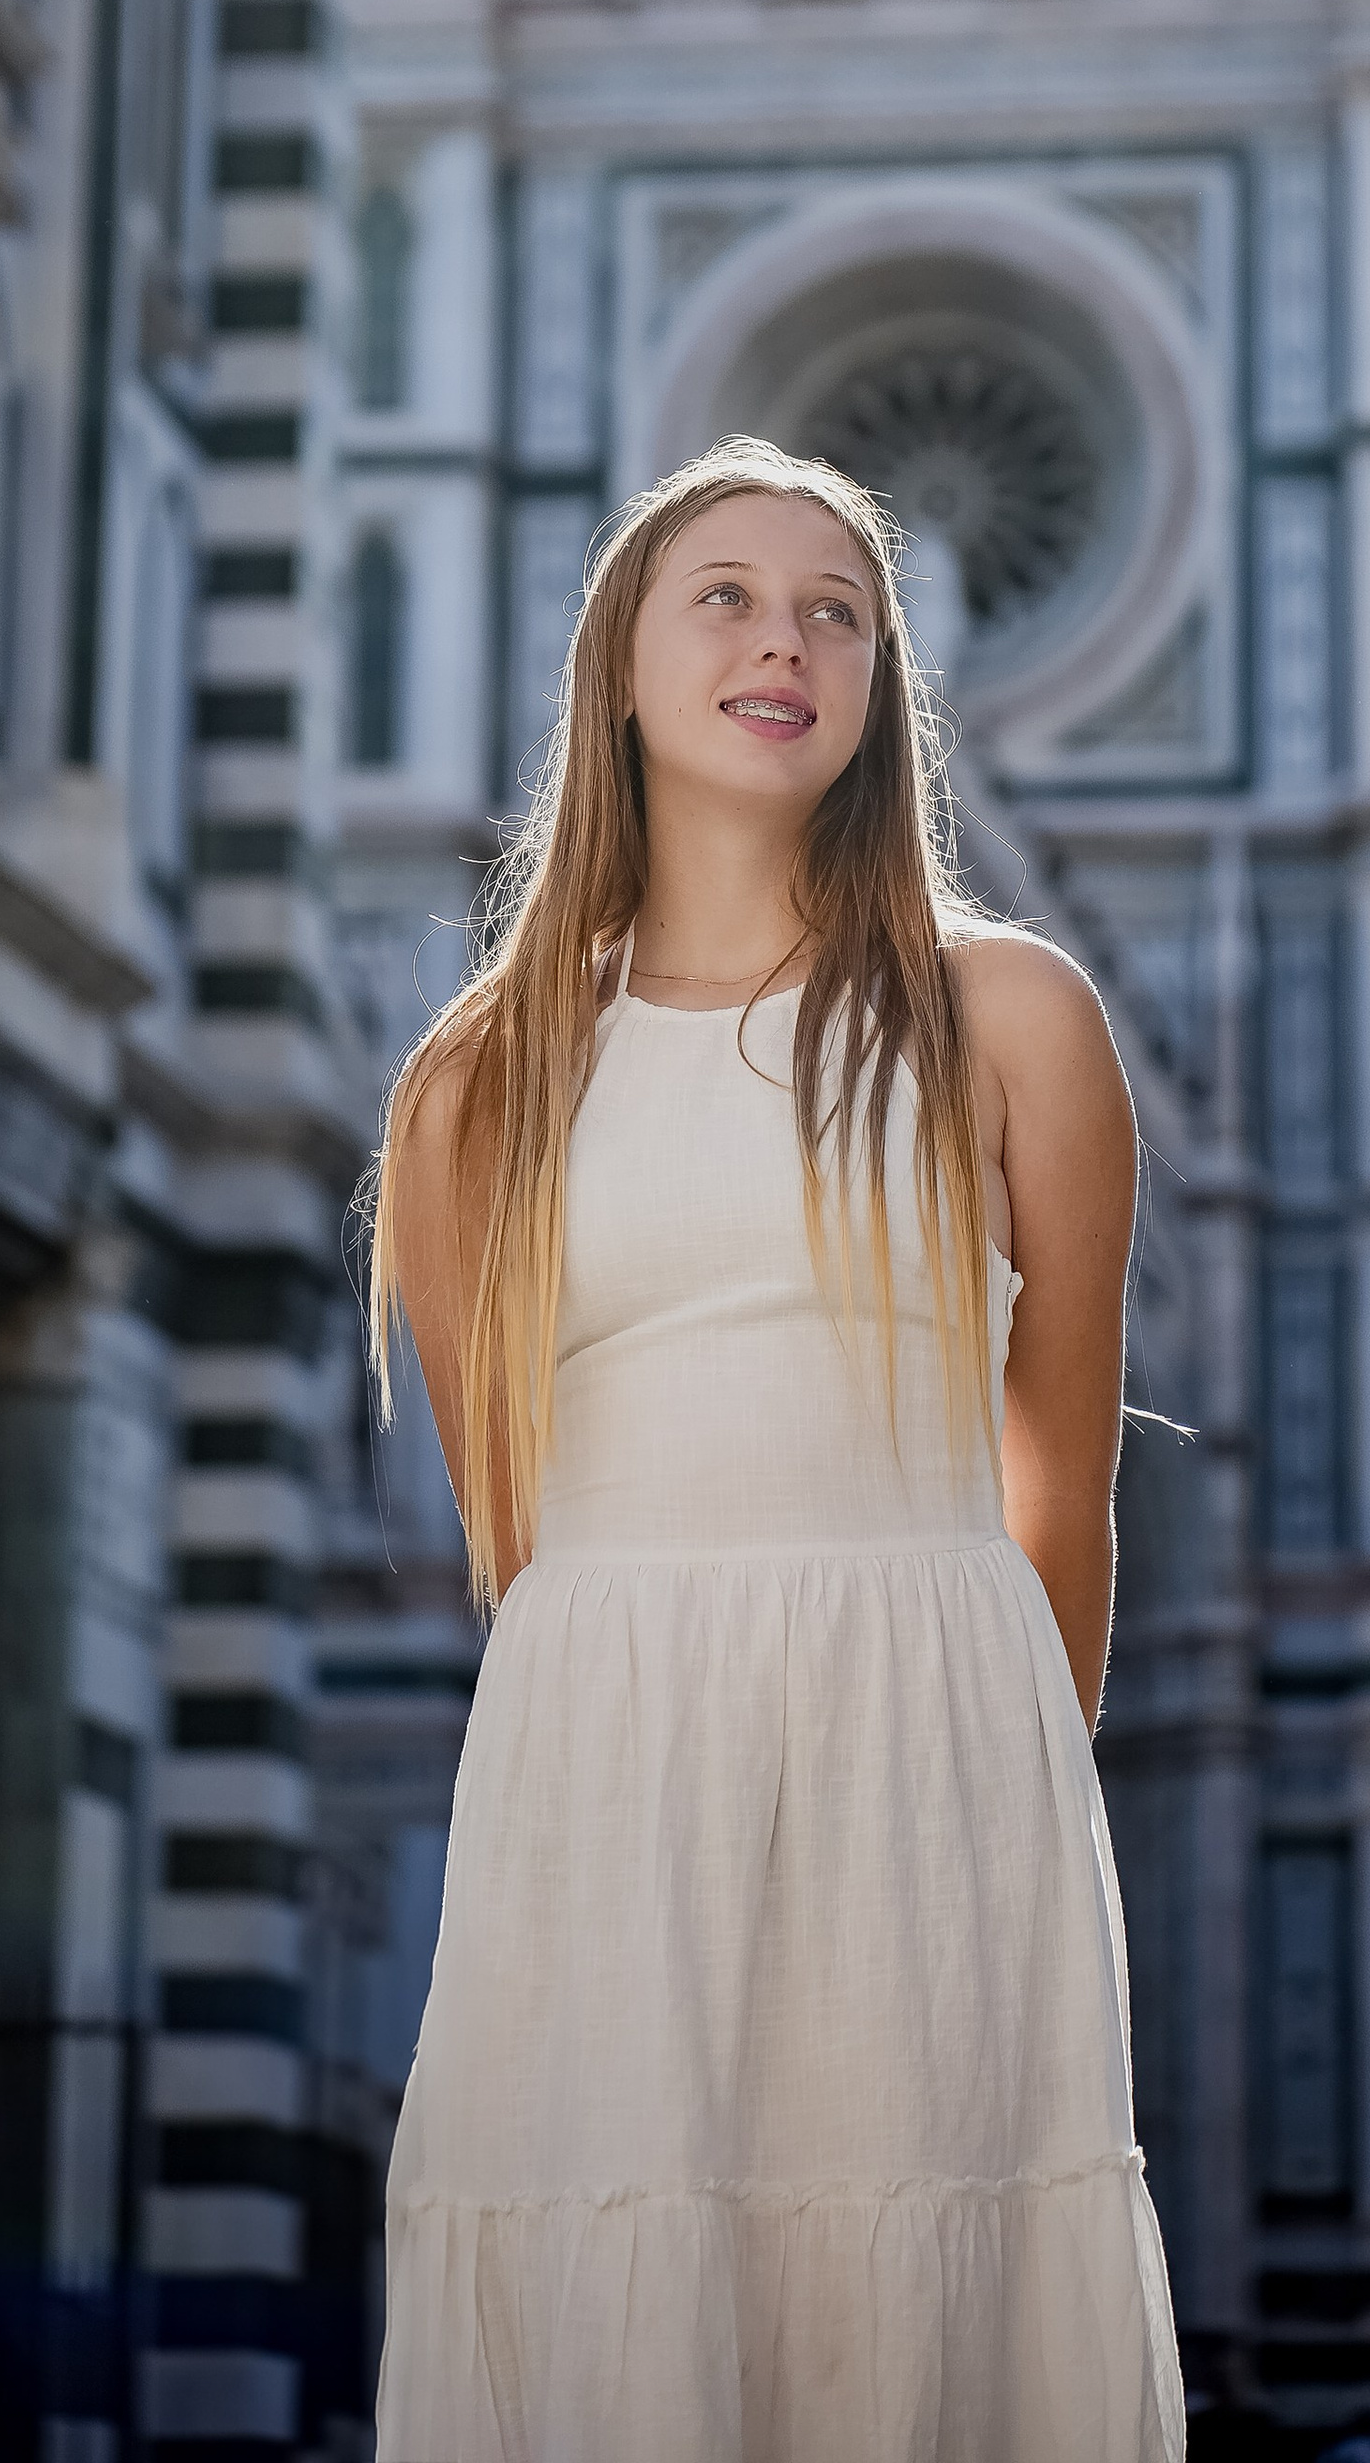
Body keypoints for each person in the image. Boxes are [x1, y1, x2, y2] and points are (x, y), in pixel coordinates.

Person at [370, 435, 1185, 2459]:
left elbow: (1059, 1483)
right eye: (723, 596)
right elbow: (515, 1520)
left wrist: (992, 1799)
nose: (784, 638)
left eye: (837, 609)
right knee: (611, 2313)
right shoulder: (474, 1080)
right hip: (603, 1748)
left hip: (932, 1745)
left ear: (878, 689)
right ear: (619, 670)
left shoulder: (1014, 1020)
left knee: (923, 2327)